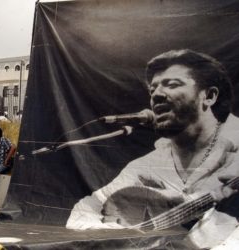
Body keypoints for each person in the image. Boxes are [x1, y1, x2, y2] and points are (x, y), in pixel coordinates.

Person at [66, 49, 239, 249]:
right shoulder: (148, 165)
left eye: (172, 85)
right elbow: (85, 209)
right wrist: (119, 238)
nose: (156, 94)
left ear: (209, 96)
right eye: (152, 89)